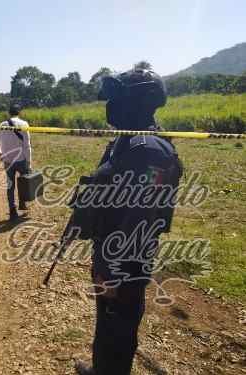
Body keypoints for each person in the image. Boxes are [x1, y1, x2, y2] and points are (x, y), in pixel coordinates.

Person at [64, 69, 183, 375]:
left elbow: (139, 216)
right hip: (110, 248)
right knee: (108, 323)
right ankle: (102, 368)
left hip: (125, 262)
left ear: (139, 102)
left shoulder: (147, 150)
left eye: (117, 100)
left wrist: (111, 269)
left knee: (118, 328)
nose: (110, 107)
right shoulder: (127, 142)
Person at [0, 104, 32, 221]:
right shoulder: (24, 124)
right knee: (24, 183)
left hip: (8, 161)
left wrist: (0, 155)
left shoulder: (2, 125)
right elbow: (27, 146)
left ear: (9, 113)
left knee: (10, 186)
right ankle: (23, 203)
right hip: (21, 160)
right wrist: (29, 161)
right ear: (19, 112)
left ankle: (12, 210)